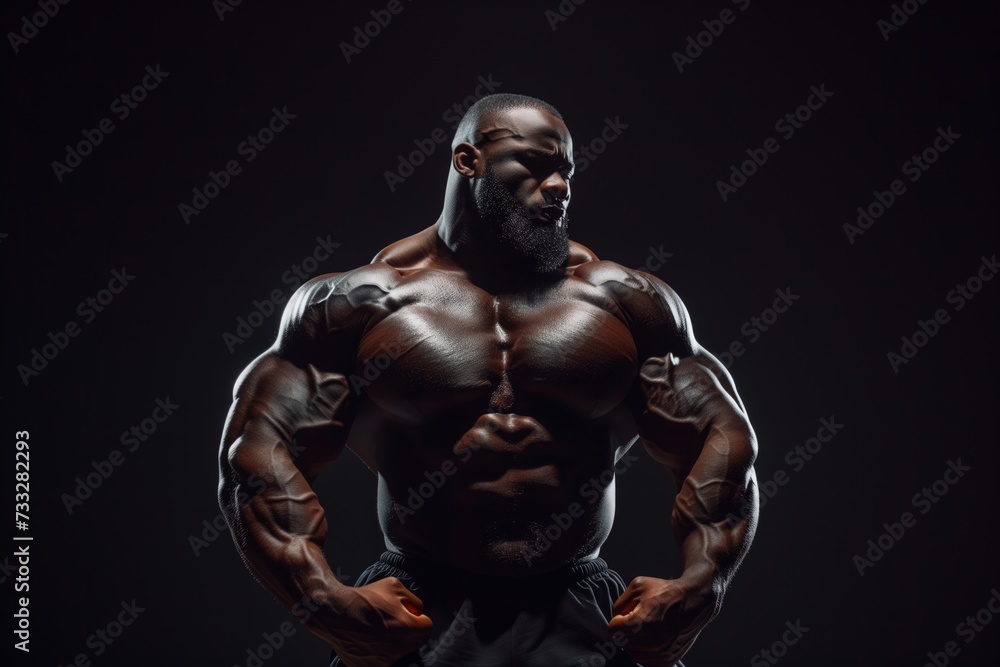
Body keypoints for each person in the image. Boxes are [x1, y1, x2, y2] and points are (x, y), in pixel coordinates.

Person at [218, 93, 759, 667]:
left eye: (566, 171)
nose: (559, 187)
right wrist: (322, 600)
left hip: (581, 605)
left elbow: (722, 438)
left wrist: (703, 585)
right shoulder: (358, 305)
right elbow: (256, 452)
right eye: (534, 164)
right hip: (418, 608)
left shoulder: (625, 302)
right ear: (467, 161)